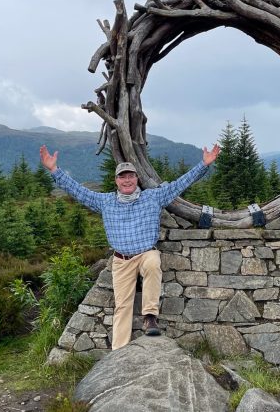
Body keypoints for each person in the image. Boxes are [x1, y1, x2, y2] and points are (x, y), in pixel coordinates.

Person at [39, 144, 220, 349]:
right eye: (122, 177)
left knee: (153, 262)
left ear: (136, 179)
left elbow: (179, 185)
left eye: (130, 176)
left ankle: (150, 316)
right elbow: (79, 192)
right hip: (121, 260)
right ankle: (118, 353)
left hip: (145, 254)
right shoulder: (105, 202)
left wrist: (203, 164)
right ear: (116, 181)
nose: (127, 180)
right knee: (122, 307)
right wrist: (54, 170)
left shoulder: (152, 197)